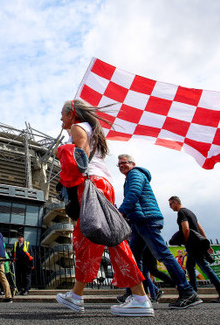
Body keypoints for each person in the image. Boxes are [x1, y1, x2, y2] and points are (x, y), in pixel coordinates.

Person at [55, 99, 153, 317]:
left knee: (110, 240)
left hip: (91, 184)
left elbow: (77, 159)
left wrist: (60, 150)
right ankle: (77, 296)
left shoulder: (77, 127)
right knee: (89, 241)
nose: (60, 118)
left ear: (72, 114)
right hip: (102, 184)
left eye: (62, 114)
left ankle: (140, 298)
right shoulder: (89, 128)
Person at [116, 154, 201, 310]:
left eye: (124, 163)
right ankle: (134, 295)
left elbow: (133, 194)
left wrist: (120, 213)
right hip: (138, 222)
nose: (121, 166)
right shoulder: (130, 177)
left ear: (133, 163)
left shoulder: (135, 174)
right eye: (119, 164)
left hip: (146, 219)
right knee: (134, 259)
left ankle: (187, 291)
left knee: (163, 254)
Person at [168, 196, 220, 303]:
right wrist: (206, 242)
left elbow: (186, 228)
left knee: (206, 269)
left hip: (193, 245)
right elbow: (200, 228)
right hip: (197, 244)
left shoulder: (181, 213)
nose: (170, 207)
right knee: (190, 267)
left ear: (175, 202)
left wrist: (186, 241)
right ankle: (193, 293)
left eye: (170, 204)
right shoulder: (191, 212)